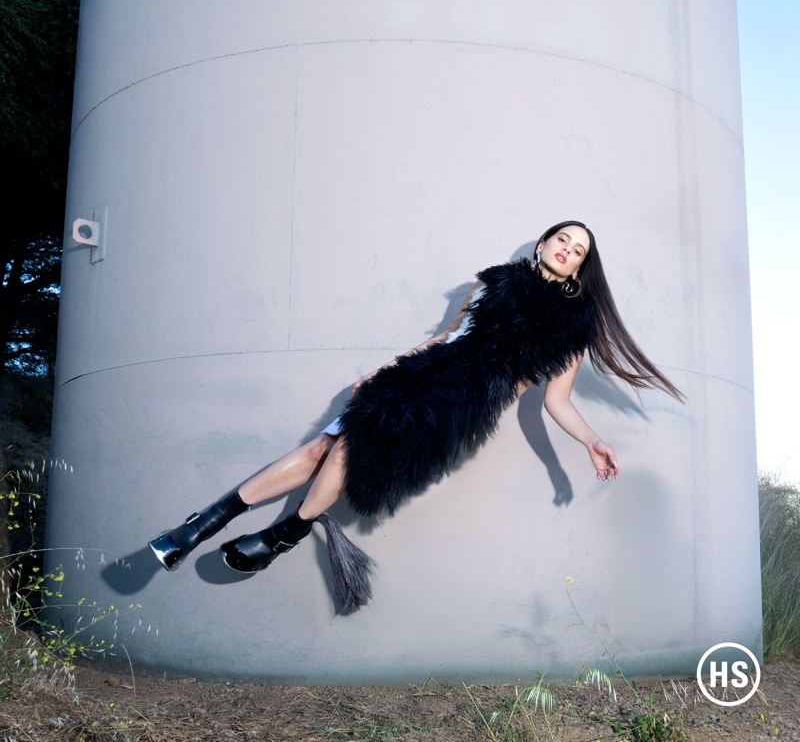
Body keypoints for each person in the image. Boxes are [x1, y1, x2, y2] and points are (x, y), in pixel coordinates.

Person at [149, 221, 682, 611]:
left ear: (581, 268)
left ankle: (283, 534)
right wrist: (385, 369)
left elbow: (556, 401)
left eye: (579, 249)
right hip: (420, 373)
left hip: (459, 402)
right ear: (543, 244)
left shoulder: (571, 329)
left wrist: (590, 442)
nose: (567, 249)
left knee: (349, 450)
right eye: (561, 239)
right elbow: (446, 337)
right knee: (319, 450)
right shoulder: (492, 283)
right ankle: (198, 528)